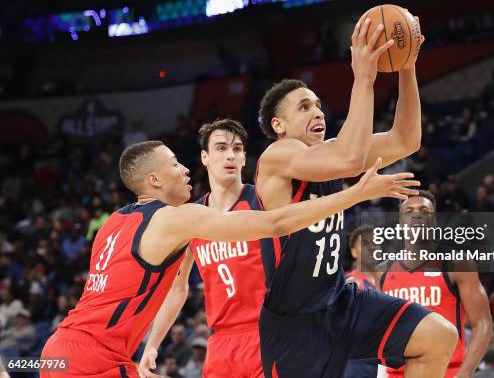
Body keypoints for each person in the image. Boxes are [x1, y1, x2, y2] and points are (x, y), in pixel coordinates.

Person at [40, 140, 418, 377]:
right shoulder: (175, 217)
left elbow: (170, 288)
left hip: (58, 352)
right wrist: (356, 194)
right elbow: (274, 223)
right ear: (154, 180)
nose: (185, 169)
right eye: (174, 164)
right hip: (96, 359)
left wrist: (152, 344)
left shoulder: (111, 224)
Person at [256, 17, 457, 378]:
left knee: (439, 336)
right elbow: (349, 157)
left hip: (342, 302)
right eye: (303, 107)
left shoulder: (332, 153)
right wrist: (363, 76)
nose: (317, 111)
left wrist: (407, 69)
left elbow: (406, 140)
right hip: (294, 325)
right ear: (278, 126)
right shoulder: (277, 157)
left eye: (317, 104)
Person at [139, 119, 268, 377]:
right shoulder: (191, 217)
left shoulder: (263, 201)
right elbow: (178, 287)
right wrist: (152, 345)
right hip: (220, 343)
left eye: (238, 149)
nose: (230, 155)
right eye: (221, 148)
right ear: (205, 157)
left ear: (244, 158)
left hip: (267, 333)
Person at [381, 191, 493, 378]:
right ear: (400, 224)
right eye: (409, 211)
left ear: (434, 221)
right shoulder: (382, 271)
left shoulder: (457, 263)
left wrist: (464, 374)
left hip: (446, 372)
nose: (417, 214)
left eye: (424, 211)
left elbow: (483, 324)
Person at [343, 225, 381, 378]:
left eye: (375, 242)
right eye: (365, 243)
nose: (371, 247)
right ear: (353, 251)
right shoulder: (352, 282)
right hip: (361, 362)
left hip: (387, 357)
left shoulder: (391, 280)